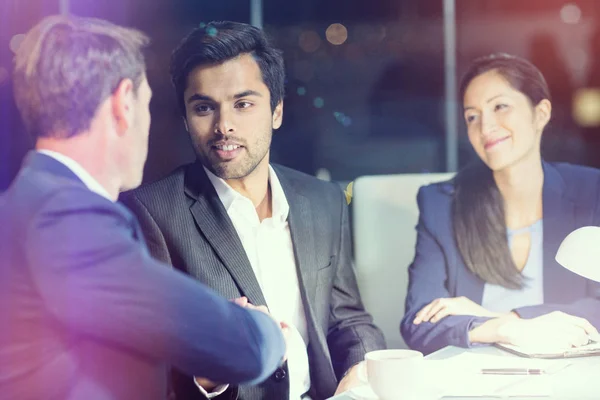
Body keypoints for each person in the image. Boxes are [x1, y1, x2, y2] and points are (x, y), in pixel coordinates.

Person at [0, 15, 286, 400]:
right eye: (147, 105)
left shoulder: (31, 202)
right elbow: (247, 348)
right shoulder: (63, 218)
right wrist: (259, 326)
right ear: (123, 104)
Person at [121, 21, 385, 400]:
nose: (223, 126)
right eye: (203, 108)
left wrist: (359, 373)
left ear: (276, 111)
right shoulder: (151, 214)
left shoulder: (323, 201)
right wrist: (211, 374)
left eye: (243, 104)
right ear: (185, 118)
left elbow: (349, 319)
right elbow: (148, 376)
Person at [400, 53, 600, 355]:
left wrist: (506, 317)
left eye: (500, 106)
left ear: (541, 113)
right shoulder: (441, 203)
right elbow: (419, 322)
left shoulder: (591, 191)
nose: (486, 126)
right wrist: (502, 329)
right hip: (475, 378)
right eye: (472, 116)